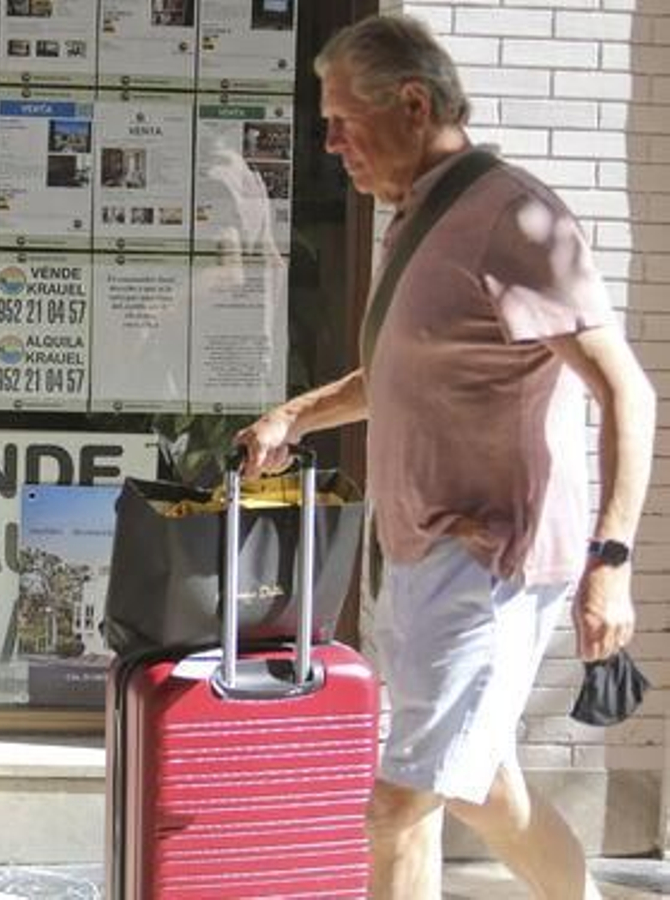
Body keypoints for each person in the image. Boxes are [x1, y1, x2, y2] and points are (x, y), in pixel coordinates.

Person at [235, 15, 655, 899]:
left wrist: (610, 564)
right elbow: (405, 363)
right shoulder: (424, 214)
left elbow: (628, 392)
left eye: (342, 119)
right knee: (481, 789)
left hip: (488, 563)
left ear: (414, 103)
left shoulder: (514, 218)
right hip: (427, 559)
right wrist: (294, 417)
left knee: (398, 807)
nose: (330, 143)